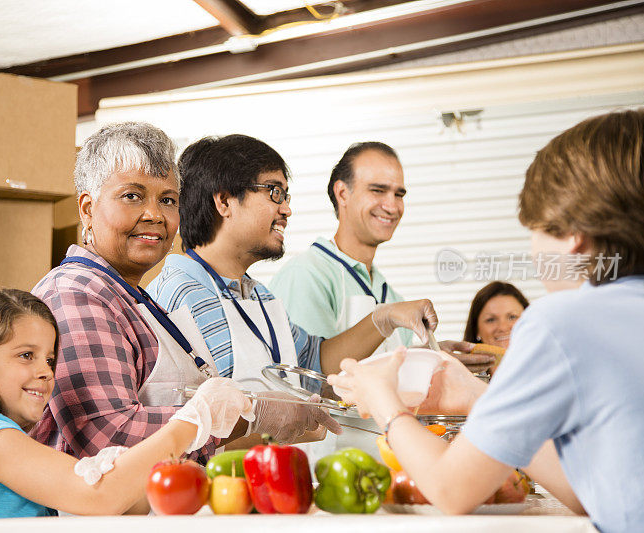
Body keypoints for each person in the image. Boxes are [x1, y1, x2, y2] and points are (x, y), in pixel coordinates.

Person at [328, 108, 644, 533]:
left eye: (536, 230)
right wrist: (474, 397)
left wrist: (384, 404)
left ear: (574, 234)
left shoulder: (562, 321)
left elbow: (451, 490)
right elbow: (588, 491)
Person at [30, 123, 338, 461]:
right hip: (107, 514)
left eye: (167, 200)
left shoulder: (134, 299)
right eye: (132, 196)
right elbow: (110, 434)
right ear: (87, 209)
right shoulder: (77, 293)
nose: (154, 215)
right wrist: (250, 416)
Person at [0, 289, 253, 531]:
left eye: (49, 358)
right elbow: (99, 495)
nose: (46, 371)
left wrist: (142, 477)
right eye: (25, 355)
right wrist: (193, 420)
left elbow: (109, 500)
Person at [147, 134, 438, 393]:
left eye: (286, 195)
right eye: (274, 192)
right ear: (224, 201)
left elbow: (315, 367)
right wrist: (270, 422)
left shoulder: (259, 296)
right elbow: (180, 418)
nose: (286, 209)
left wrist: (384, 318)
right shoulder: (177, 296)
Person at [269, 142, 495, 366]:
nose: (392, 206)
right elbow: (311, 379)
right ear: (342, 193)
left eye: (399, 194)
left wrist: (428, 358)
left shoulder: (391, 296)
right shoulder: (306, 276)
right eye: (378, 190)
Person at [464, 281, 529, 350]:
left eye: (512, 317)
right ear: (476, 329)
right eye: (491, 320)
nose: (502, 327)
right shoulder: (456, 361)